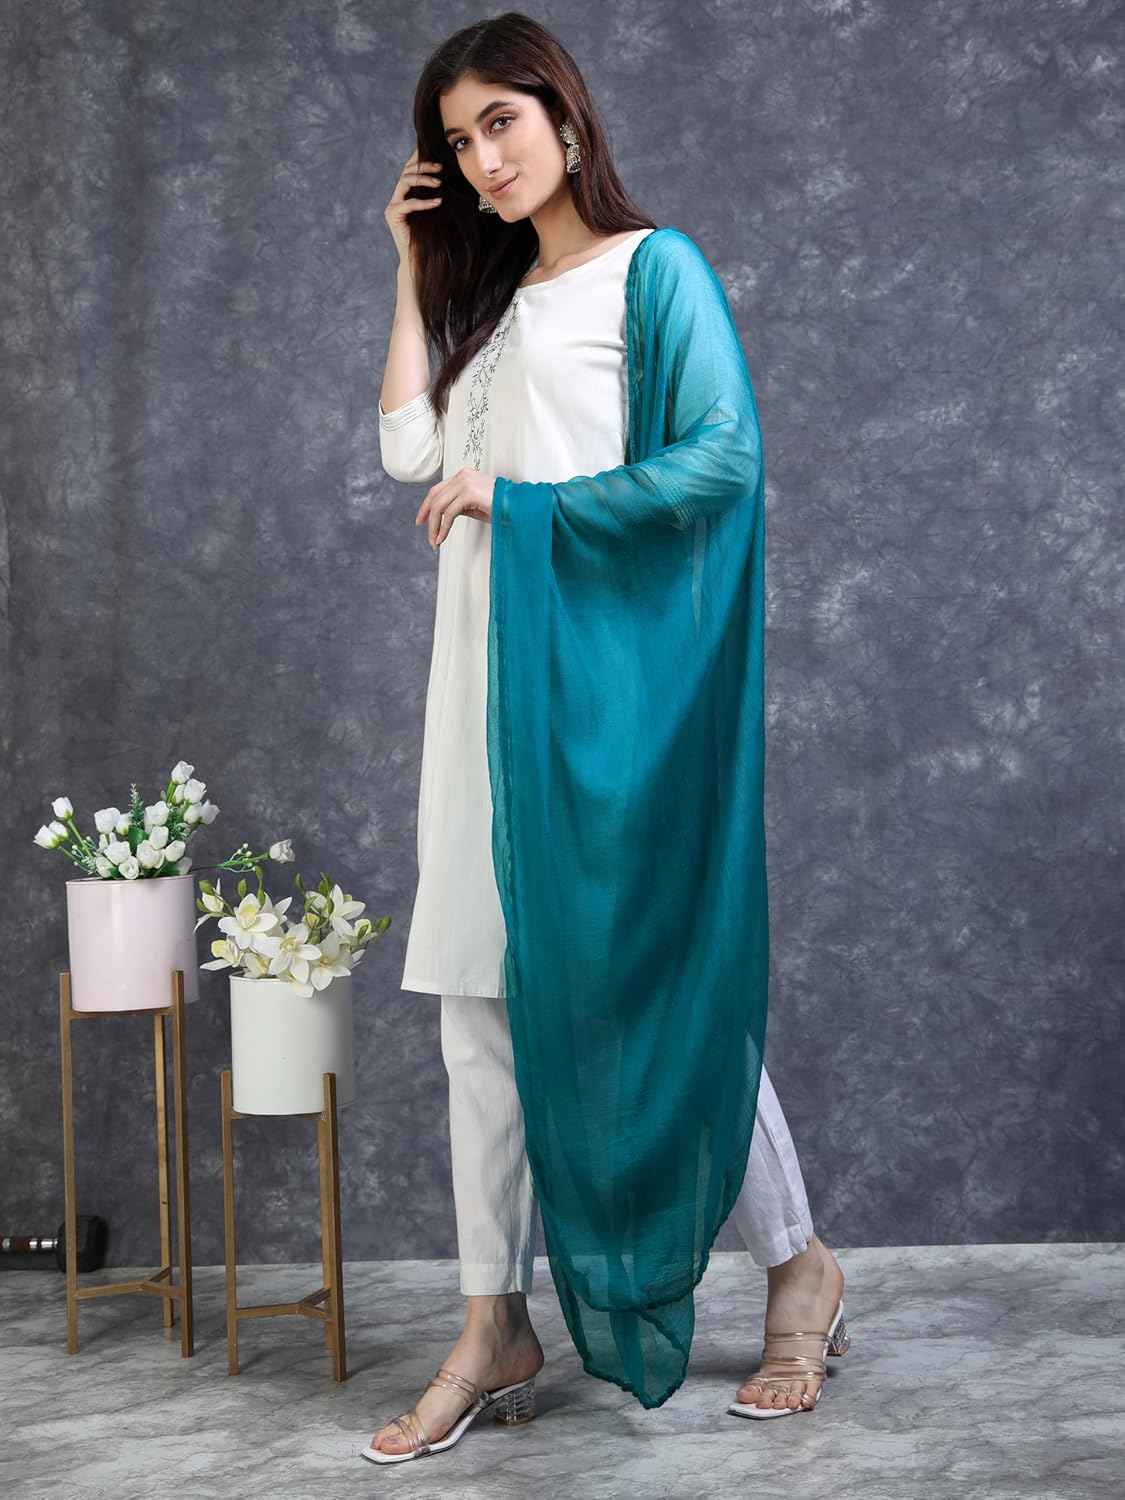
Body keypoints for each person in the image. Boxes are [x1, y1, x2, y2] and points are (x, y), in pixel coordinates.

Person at [363, 12, 851, 1465]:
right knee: (478, 1010)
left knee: (650, 991)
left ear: (565, 118)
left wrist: (521, 506)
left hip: (599, 699)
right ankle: (491, 1322)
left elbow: (721, 459)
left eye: (500, 122)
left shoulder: (655, 270)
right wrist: (412, 261)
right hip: (478, 697)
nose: (481, 158)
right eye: (456, 141)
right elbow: (406, 450)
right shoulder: (494, 303)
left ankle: (799, 1266)